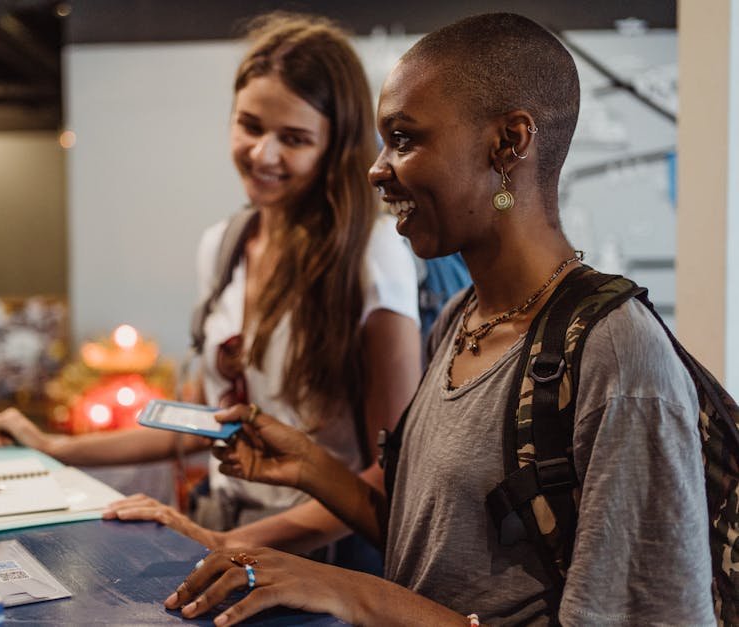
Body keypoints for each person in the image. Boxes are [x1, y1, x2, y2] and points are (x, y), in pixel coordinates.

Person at [161, 13, 714, 626]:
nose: (377, 169)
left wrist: (350, 590)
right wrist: (314, 469)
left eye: (403, 139)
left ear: (509, 143)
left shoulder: (616, 354)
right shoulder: (461, 317)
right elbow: (434, 549)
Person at [0, 13, 422, 542]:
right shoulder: (225, 244)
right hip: (224, 522)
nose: (263, 154)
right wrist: (55, 447)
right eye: (250, 126)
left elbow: (392, 472)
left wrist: (230, 545)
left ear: (336, 146)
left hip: (324, 552)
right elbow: (203, 419)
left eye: (294, 138)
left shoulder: (371, 254)